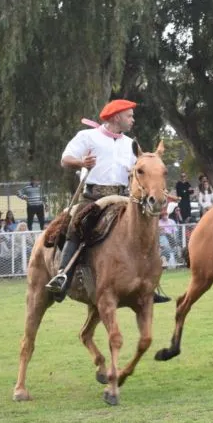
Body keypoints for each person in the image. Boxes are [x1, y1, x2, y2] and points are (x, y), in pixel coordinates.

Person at [47, 99, 170, 302]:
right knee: (76, 223)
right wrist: (81, 162)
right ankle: (63, 275)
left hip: (123, 198)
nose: (133, 119)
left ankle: (148, 283)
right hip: (93, 196)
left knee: (147, 227)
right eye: (129, 116)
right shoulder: (87, 136)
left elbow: (140, 173)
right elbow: (65, 159)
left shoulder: (131, 144)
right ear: (116, 117)